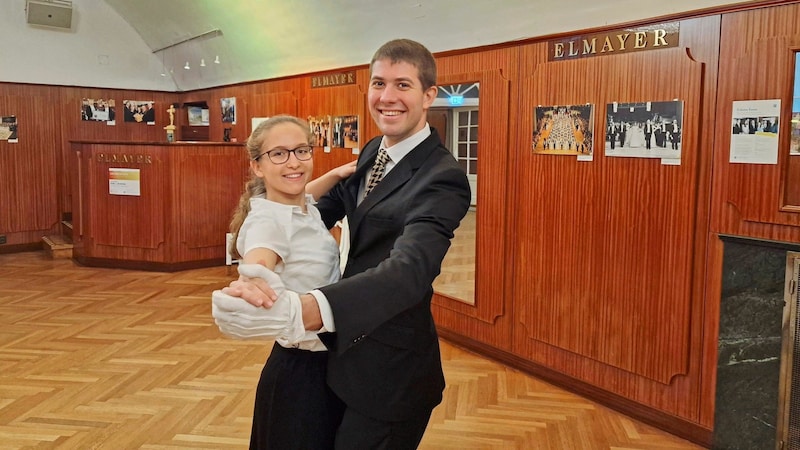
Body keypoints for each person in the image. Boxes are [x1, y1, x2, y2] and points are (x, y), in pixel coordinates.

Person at [214, 38, 471, 449]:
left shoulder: (442, 177)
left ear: (428, 95)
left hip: (391, 372)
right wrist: (260, 267)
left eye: (402, 85)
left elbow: (409, 272)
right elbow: (314, 213)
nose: (387, 97)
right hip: (342, 358)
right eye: (379, 83)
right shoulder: (374, 150)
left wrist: (309, 307)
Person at [212, 114, 355, 449]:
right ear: (257, 166)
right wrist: (252, 281)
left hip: (325, 369)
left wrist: (335, 174)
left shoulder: (300, 206)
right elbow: (259, 259)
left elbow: (306, 193)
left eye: (301, 151)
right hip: (300, 378)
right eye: (279, 154)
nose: (293, 162)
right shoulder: (267, 222)